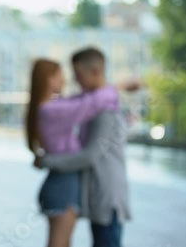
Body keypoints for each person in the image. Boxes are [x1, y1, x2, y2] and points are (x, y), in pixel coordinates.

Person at [39, 48, 133, 247]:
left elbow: (90, 156)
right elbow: (80, 103)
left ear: (96, 72)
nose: (75, 80)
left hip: (107, 201)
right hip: (100, 198)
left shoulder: (105, 112)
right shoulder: (96, 107)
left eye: (78, 75)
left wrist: (47, 161)